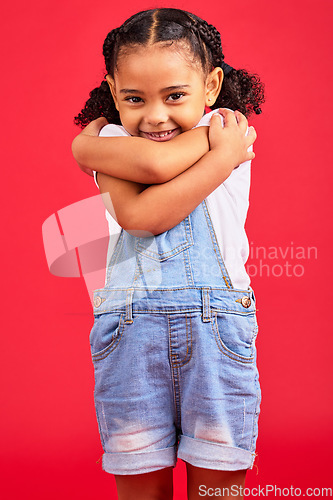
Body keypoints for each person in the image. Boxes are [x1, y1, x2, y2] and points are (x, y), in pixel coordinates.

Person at [72, 8, 264, 500]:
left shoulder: (225, 130)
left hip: (217, 332)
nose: (155, 116)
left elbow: (155, 168)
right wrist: (219, 156)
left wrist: (82, 149)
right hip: (132, 342)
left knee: (218, 487)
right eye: (134, 98)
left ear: (212, 85)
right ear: (113, 92)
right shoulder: (127, 141)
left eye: (175, 96)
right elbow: (142, 213)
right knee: (140, 488)